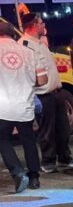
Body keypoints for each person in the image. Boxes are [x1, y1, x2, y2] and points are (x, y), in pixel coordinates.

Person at [19, 12, 73, 175]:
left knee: (63, 128)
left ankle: (64, 157)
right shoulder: (24, 46)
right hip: (43, 95)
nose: (44, 25)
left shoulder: (39, 43)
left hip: (56, 93)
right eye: (41, 23)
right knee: (47, 131)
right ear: (33, 26)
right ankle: (48, 161)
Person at [0, 21, 44, 193]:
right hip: (25, 104)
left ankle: (17, 172)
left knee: (2, 139)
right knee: (29, 141)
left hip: (3, 106)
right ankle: (34, 178)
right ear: (13, 34)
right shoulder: (29, 52)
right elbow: (42, 80)